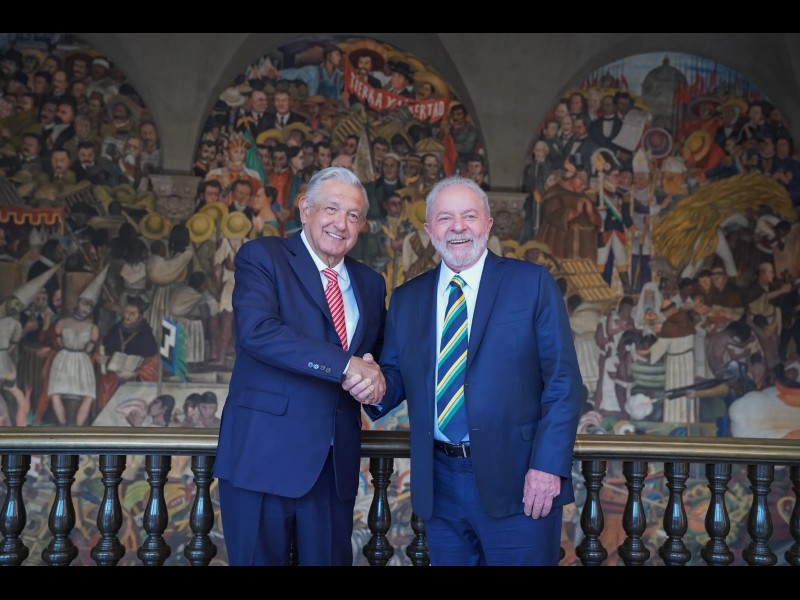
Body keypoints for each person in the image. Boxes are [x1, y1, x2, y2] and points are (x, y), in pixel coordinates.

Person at [346, 175, 582, 566]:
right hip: (439, 485)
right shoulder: (407, 298)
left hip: (520, 480)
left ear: (488, 223)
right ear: (429, 229)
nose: (458, 227)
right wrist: (373, 385)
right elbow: (396, 376)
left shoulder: (531, 283)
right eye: (445, 218)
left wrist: (546, 466)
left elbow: (563, 382)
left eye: (469, 216)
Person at [213, 166, 387, 566]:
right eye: (331, 209)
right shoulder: (263, 256)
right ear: (306, 209)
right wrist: (345, 366)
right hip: (262, 459)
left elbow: (379, 361)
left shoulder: (370, 282)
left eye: (354, 215)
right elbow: (258, 332)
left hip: (333, 469)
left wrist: (380, 386)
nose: (341, 224)